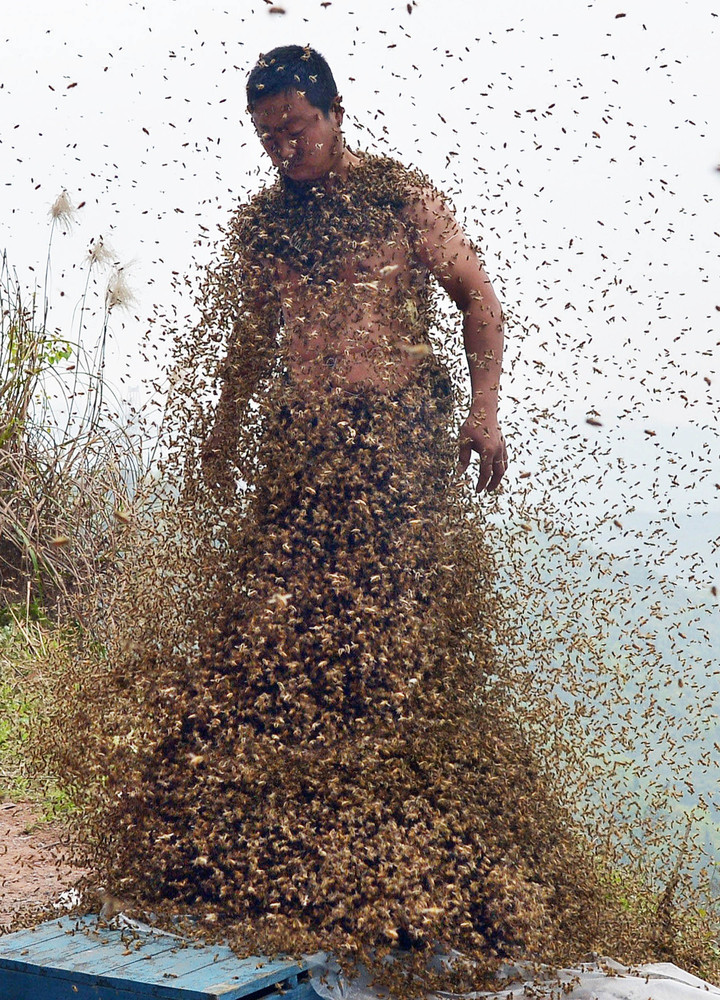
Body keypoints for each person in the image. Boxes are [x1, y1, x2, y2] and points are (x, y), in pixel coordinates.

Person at [201, 43, 508, 496]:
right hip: (299, 442)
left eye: (295, 130)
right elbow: (254, 336)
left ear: (336, 113)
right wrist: (225, 430)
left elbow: (477, 299)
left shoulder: (403, 200)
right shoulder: (264, 226)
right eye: (268, 138)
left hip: (401, 438)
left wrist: (483, 408)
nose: (284, 149)